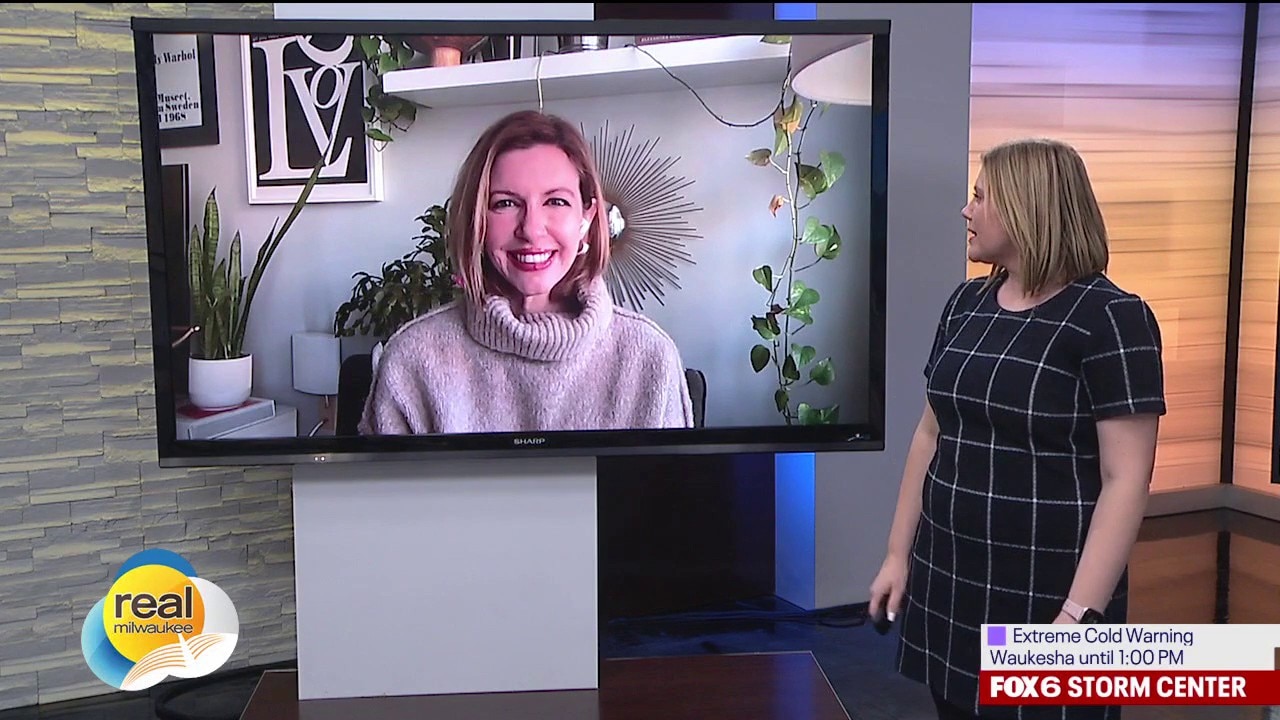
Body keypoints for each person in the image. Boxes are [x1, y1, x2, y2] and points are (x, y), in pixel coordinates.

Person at [868, 138, 1166, 720]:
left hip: (1046, 593)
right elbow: (930, 434)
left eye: (980, 197)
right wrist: (897, 555)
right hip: (950, 580)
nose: (966, 210)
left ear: (1027, 207)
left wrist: (1078, 616)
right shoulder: (966, 304)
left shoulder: (1111, 319)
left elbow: (1126, 481)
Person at [359, 110, 694, 435]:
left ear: (587, 218)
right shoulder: (413, 358)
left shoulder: (649, 357)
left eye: (556, 202)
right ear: (476, 220)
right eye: (505, 203)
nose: (531, 230)